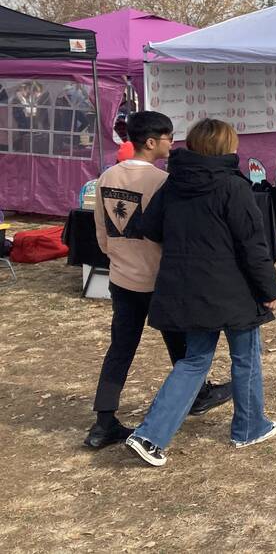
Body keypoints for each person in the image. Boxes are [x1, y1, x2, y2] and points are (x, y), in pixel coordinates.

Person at [125, 119, 276, 467]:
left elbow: (149, 227)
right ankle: (249, 426)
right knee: (245, 356)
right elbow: (252, 245)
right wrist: (270, 290)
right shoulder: (232, 186)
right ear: (227, 147)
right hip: (232, 289)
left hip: (188, 286)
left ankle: (150, 435)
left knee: (194, 360)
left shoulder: (173, 184)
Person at [85, 111, 231, 450]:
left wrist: (118, 257)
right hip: (159, 278)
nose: (172, 143)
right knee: (182, 346)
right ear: (151, 142)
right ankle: (198, 394)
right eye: (168, 138)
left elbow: (102, 231)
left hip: (122, 278)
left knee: (120, 349)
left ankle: (103, 421)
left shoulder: (107, 177)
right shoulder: (162, 181)